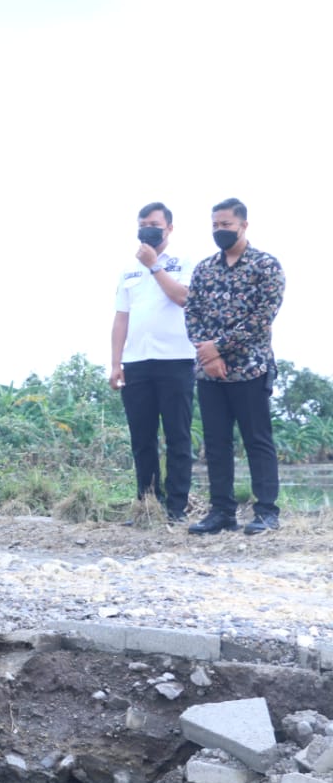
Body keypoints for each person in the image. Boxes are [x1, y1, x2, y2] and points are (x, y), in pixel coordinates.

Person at [184, 198, 285, 535]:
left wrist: (219, 348)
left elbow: (261, 319)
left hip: (251, 368)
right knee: (216, 443)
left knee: (257, 440)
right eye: (215, 225)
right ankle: (222, 513)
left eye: (225, 225)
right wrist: (208, 355)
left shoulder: (266, 266)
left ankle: (267, 512)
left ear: (243, 225)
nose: (219, 230)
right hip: (209, 372)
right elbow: (192, 313)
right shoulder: (204, 269)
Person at [108, 202, 196, 522]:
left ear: (169, 228)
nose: (148, 228)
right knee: (142, 438)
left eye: (154, 223)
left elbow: (184, 297)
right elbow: (121, 319)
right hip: (136, 363)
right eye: (142, 223)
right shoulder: (128, 270)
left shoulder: (184, 261)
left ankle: (176, 509)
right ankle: (147, 504)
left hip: (176, 360)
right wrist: (116, 363)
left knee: (177, 436)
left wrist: (155, 265)